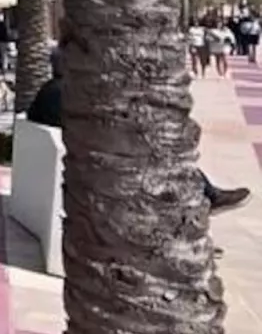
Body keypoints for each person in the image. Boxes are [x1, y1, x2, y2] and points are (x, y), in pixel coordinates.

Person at [28, 47, 249, 214]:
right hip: (91, 157)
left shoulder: (53, 90)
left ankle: (202, 207)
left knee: (160, 158)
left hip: (79, 151)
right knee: (161, 160)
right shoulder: (65, 92)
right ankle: (204, 203)